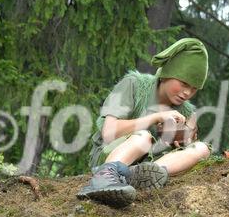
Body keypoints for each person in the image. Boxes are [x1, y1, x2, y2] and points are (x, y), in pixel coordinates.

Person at [77, 38, 211, 207]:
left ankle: (139, 175)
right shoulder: (134, 85)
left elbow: (186, 150)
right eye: (183, 83)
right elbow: (108, 132)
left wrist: (182, 141)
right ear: (167, 74)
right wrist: (155, 118)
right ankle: (105, 177)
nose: (186, 93)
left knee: (202, 148)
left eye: (193, 89)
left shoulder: (186, 112)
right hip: (111, 154)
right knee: (142, 137)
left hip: (149, 162)